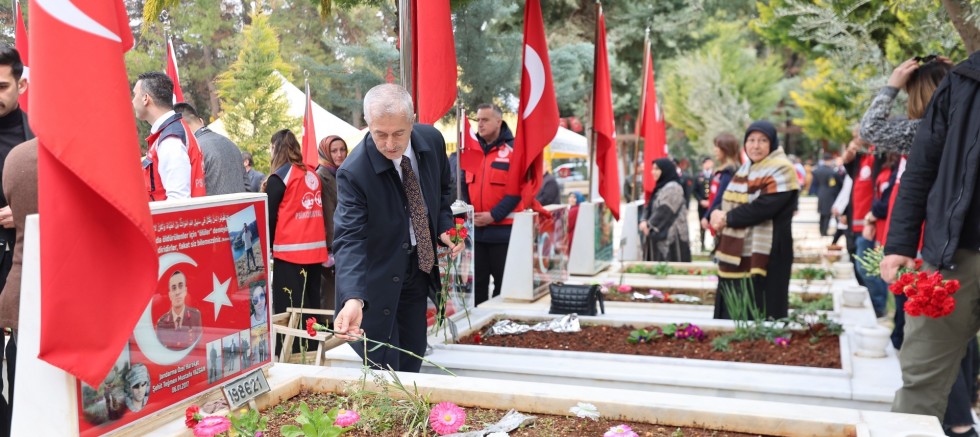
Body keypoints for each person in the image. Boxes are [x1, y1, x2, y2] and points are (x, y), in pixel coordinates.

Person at [875, 55, 980, 437]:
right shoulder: (964, 80)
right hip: (954, 254)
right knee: (922, 376)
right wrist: (899, 242)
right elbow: (920, 167)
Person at [332, 83, 463, 372]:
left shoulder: (432, 141)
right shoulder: (354, 172)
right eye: (380, 134)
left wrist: (444, 226)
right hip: (377, 278)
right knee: (383, 364)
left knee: (414, 353)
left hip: (418, 268)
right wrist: (353, 297)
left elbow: (443, 191)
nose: (390, 144)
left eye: (398, 133)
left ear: (412, 121)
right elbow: (349, 238)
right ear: (368, 125)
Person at [710, 121, 799, 320]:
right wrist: (716, 212)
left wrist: (726, 218)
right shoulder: (745, 169)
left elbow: (763, 208)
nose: (755, 146)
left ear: (772, 143)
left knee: (763, 306)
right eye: (751, 140)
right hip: (737, 250)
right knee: (734, 302)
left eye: (762, 140)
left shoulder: (782, 170)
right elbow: (727, 200)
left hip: (770, 250)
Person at [263, 129, 328, 352]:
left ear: (276, 148)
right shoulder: (312, 174)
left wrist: (266, 249)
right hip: (315, 253)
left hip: (290, 253)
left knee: (289, 308)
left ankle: (290, 352)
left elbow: (268, 218)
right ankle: (311, 349)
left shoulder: (279, 178)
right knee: (311, 306)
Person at [458, 103, 521, 306]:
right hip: (476, 234)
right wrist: (470, 214)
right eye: (478, 120)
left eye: (485, 120)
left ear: (498, 122)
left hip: (503, 233)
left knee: (503, 288)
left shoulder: (514, 151)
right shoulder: (471, 150)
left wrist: (493, 215)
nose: (480, 124)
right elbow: (463, 186)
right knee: (477, 289)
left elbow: (517, 191)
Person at [0, 45, 30, 435]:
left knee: (19, 363)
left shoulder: (38, 140)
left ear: (21, 84)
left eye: (1, 85)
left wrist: (24, 213)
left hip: (22, 267)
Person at [131, 72, 205, 201]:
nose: (132, 101)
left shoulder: (170, 139)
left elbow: (178, 201)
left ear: (145, 98)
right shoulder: (171, 133)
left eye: (134, 94)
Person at [174, 102, 245, 196]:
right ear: (201, 121)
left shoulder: (193, 151)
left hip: (213, 209)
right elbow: (247, 186)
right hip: (243, 208)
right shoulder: (231, 144)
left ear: (181, 128)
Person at [315, 135, 348, 311]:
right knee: (329, 294)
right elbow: (325, 213)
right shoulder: (321, 176)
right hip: (331, 243)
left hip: (346, 238)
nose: (340, 154)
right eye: (334, 151)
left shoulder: (345, 173)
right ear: (326, 152)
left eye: (342, 149)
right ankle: (330, 331)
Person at [639, 158, 691, 262]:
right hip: (659, 234)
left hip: (672, 237)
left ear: (666, 170)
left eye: (657, 169)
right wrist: (644, 220)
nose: (653, 172)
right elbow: (649, 206)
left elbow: (665, 210)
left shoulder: (673, 188)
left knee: (671, 271)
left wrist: (650, 225)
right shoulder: (660, 187)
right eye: (652, 169)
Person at [701, 133, 740, 244]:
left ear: (726, 149)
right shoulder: (722, 171)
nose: (715, 150)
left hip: (723, 218)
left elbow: (720, 197)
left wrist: (707, 216)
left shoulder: (729, 172)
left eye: (717, 147)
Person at [156, 270, 203, 349]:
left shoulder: (195, 316)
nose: (177, 292)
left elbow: (199, 346)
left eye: (180, 286)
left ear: (185, 291)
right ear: (170, 294)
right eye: (174, 288)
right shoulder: (161, 323)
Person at [810, 153, 841, 236]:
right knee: (827, 213)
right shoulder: (831, 172)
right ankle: (824, 231)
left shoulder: (817, 170)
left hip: (820, 192)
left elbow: (814, 183)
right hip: (829, 194)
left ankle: (821, 230)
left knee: (822, 213)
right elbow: (834, 185)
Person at [694, 157, 714, 251]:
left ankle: (715, 244)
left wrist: (710, 202)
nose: (709, 164)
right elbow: (694, 190)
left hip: (712, 204)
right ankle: (702, 244)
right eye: (707, 163)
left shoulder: (714, 176)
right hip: (702, 204)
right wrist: (700, 200)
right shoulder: (698, 176)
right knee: (702, 223)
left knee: (713, 223)